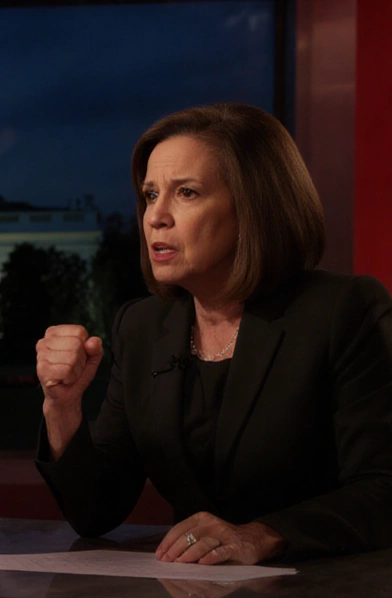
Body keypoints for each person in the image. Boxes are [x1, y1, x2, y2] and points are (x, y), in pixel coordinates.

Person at [35, 103, 392, 565]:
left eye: (186, 193)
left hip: (330, 591)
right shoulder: (141, 327)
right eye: (150, 195)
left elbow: (382, 488)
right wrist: (61, 407)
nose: (155, 217)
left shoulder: (344, 310)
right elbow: (95, 511)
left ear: (254, 208)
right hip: (196, 594)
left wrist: (264, 535)